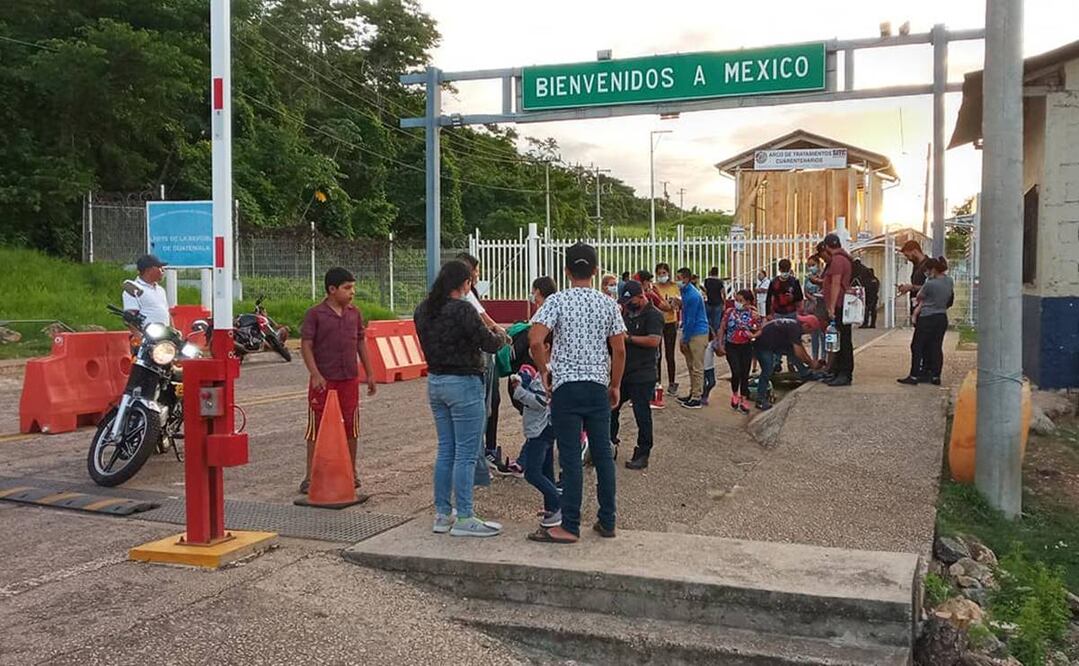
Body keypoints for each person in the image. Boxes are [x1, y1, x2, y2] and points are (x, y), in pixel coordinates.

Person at [529, 242, 626, 543]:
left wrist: (545, 370)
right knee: (602, 454)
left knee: (570, 456)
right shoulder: (608, 303)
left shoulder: (557, 301)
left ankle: (570, 525)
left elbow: (535, 340)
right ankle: (607, 520)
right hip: (597, 386)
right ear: (596, 271)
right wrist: (615, 384)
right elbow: (620, 348)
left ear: (567, 271)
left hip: (566, 388)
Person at [414, 260, 506, 537]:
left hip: (436, 382)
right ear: (464, 283)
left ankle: (443, 514)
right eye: (471, 282)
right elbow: (488, 343)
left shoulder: (423, 310)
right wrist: (501, 335)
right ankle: (465, 516)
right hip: (464, 383)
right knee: (466, 454)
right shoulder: (463, 309)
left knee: (446, 450)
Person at [299, 267, 378, 497]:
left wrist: (369, 372)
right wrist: (315, 373)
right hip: (324, 380)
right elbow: (306, 344)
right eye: (347, 288)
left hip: (349, 379)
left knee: (351, 426)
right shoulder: (316, 314)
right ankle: (310, 476)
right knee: (316, 427)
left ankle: (350, 472)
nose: (352, 292)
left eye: (352, 287)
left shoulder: (354, 313)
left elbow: (361, 342)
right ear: (332, 290)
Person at [455, 253, 513, 478]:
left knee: (488, 405)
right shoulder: (466, 297)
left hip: (465, 365)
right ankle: (479, 458)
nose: (478, 275)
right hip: (477, 360)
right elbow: (485, 322)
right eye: (475, 271)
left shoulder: (460, 297)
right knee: (482, 407)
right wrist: (501, 335)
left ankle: (483, 452)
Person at [610, 280, 663, 470]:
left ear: (641, 296)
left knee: (642, 414)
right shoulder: (624, 313)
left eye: (630, 300)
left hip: (643, 373)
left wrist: (629, 339)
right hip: (623, 371)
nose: (627, 305)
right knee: (611, 408)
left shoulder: (654, 315)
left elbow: (654, 340)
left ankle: (643, 452)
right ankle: (610, 443)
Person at [510, 362, 562, 533]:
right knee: (547, 471)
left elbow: (540, 401)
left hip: (539, 429)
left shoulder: (544, 372)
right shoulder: (549, 369)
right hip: (549, 426)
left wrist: (519, 391)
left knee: (532, 473)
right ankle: (552, 509)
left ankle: (559, 503)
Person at [898, 257, 954, 386]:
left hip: (927, 317)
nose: (926, 273)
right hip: (941, 317)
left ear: (933, 269)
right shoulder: (949, 281)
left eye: (927, 270)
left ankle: (913, 375)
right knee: (936, 347)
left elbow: (919, 296)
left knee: (917, 345)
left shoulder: (930, 283)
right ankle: (935, 376)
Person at [750, 315, 822, 410]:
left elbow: (799, 348)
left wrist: (810, 362)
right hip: (764, 345)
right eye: (811, 330)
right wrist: (811, 363)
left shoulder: (794, 326)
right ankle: (760, 399)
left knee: (791, 351)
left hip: (775, 342)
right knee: (767, 370)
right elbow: (799, 352)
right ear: (806, 325)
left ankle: (805, 373)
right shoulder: (794, 328)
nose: (810, 333)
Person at [716, 289, 761, 414]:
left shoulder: (753, 314)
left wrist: (753, 336)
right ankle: (735, 393)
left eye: (740, 301)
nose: (737, 303)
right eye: (736, 300)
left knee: (745, 374)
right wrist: (720, 344)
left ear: (747, 302)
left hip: (746, 346)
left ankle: (744, 398)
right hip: (731, 346)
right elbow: (722, 328)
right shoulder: (729, 312)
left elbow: (760, 329)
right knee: (735, 371)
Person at [820, 233, 855, 387]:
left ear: (827, 247)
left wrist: (832, 307)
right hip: (840, 304)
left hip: (839, 305)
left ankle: (844, 373)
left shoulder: (837, 260)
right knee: (840, 340)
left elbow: (835, 284)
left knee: (843, 340)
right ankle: (837, 371)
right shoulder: (844, 258)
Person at [675, 267, 710, 409]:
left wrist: (685, 338)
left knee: (697, 367)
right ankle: (693, 392)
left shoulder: (693, 296)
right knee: (691, 365)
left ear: (686, 279)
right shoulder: (685, 292)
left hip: (697, 332)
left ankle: (697, 396)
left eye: (679, 278)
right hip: (692, 331)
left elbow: (691, 319)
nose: (677, 281)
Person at [653, 263, 681, 396]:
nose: (662, 275)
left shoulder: (674, 286)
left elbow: (678, 304)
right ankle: (657, 381)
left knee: (670, 354)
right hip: (657, 322)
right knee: (656, 354)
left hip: (671, 322)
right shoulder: (654, 287)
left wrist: (673, 305)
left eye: (664, 273)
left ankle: (672, 382)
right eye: (659, 273)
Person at [122, 254, 171, 328]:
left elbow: (166, 312)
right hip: (148, 336)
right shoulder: (133, 289)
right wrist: (140, 337)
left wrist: (173, 330)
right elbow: (130, 320)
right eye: (159, 268)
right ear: (149, 270)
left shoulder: (161, 290)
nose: (163, 271)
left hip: (165, 334)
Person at [803, 256, 826, 362]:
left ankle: (823, 358)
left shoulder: (822, 276)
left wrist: (817, 300)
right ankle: (815, 358)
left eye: (813, 265)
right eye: (809, 265)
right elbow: (805, 292)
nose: (811, 267)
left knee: (822, 334)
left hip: (821, 306)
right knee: (814, 334)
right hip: (810, 307)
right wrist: (812, 299)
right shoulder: (808, 277)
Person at [898, 240, 930, 316]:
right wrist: (908, 288)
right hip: (916, 308)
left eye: (908, 256)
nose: (908, 259)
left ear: (915, 251)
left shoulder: (928, 265)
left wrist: (912, 287)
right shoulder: (916, 266)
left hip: (925, 310)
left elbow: (932, 287)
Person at [703, 267, 726, 332]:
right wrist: (724, 303)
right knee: (717, 322)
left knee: (708, 321)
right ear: (717, 272)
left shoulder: (706, 281)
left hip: (709, 302)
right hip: (718, 303)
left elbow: (705, 291)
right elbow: (723, 293)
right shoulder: (720, 282)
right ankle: (716, 337)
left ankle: (710, 334)